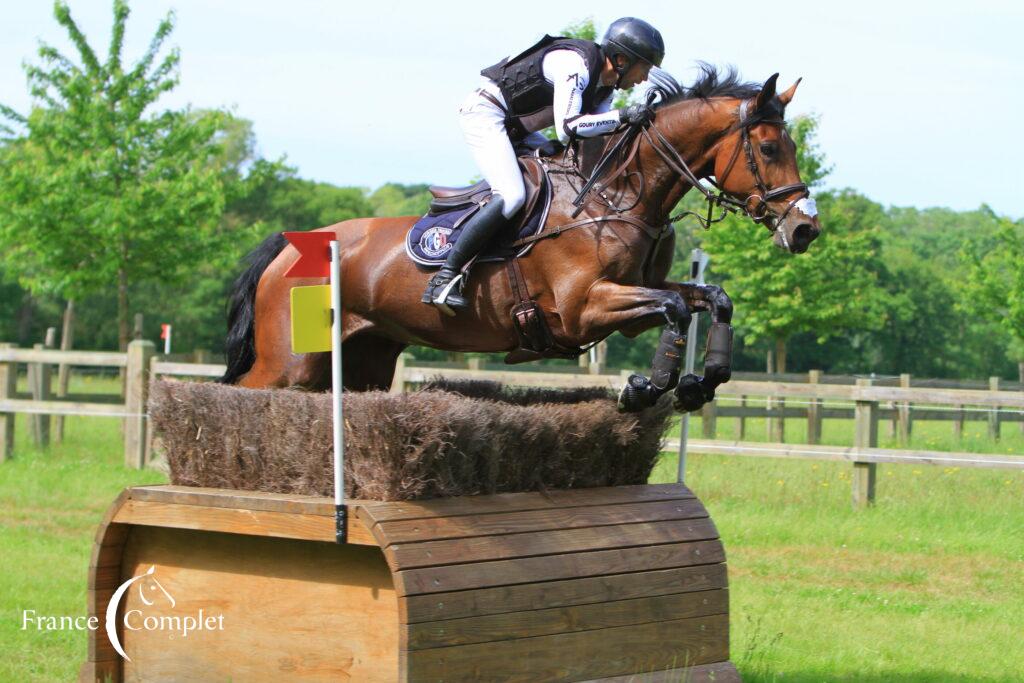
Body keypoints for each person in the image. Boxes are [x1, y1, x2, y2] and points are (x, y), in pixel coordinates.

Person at [422, 17, 668, 314]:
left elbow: (597, 135)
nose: (643, 78)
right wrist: (622, 116)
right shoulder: (574, 66)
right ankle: (445, 277)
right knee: (512, 195)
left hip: (520, 128)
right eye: (645, 67)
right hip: (487, 114)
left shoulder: (605, 88)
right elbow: (568, 128)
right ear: (621, 59)